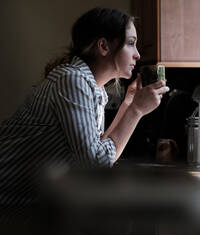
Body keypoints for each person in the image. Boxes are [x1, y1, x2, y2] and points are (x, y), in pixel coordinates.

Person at [0, 7, 169, 214]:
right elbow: (95, 166)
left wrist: (128, 104)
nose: (138, 54)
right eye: (131, 43)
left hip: (21, 203)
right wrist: (136, 111)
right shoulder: (73, 80)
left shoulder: (92, 89)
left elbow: (101, 153)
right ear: (104, 46)